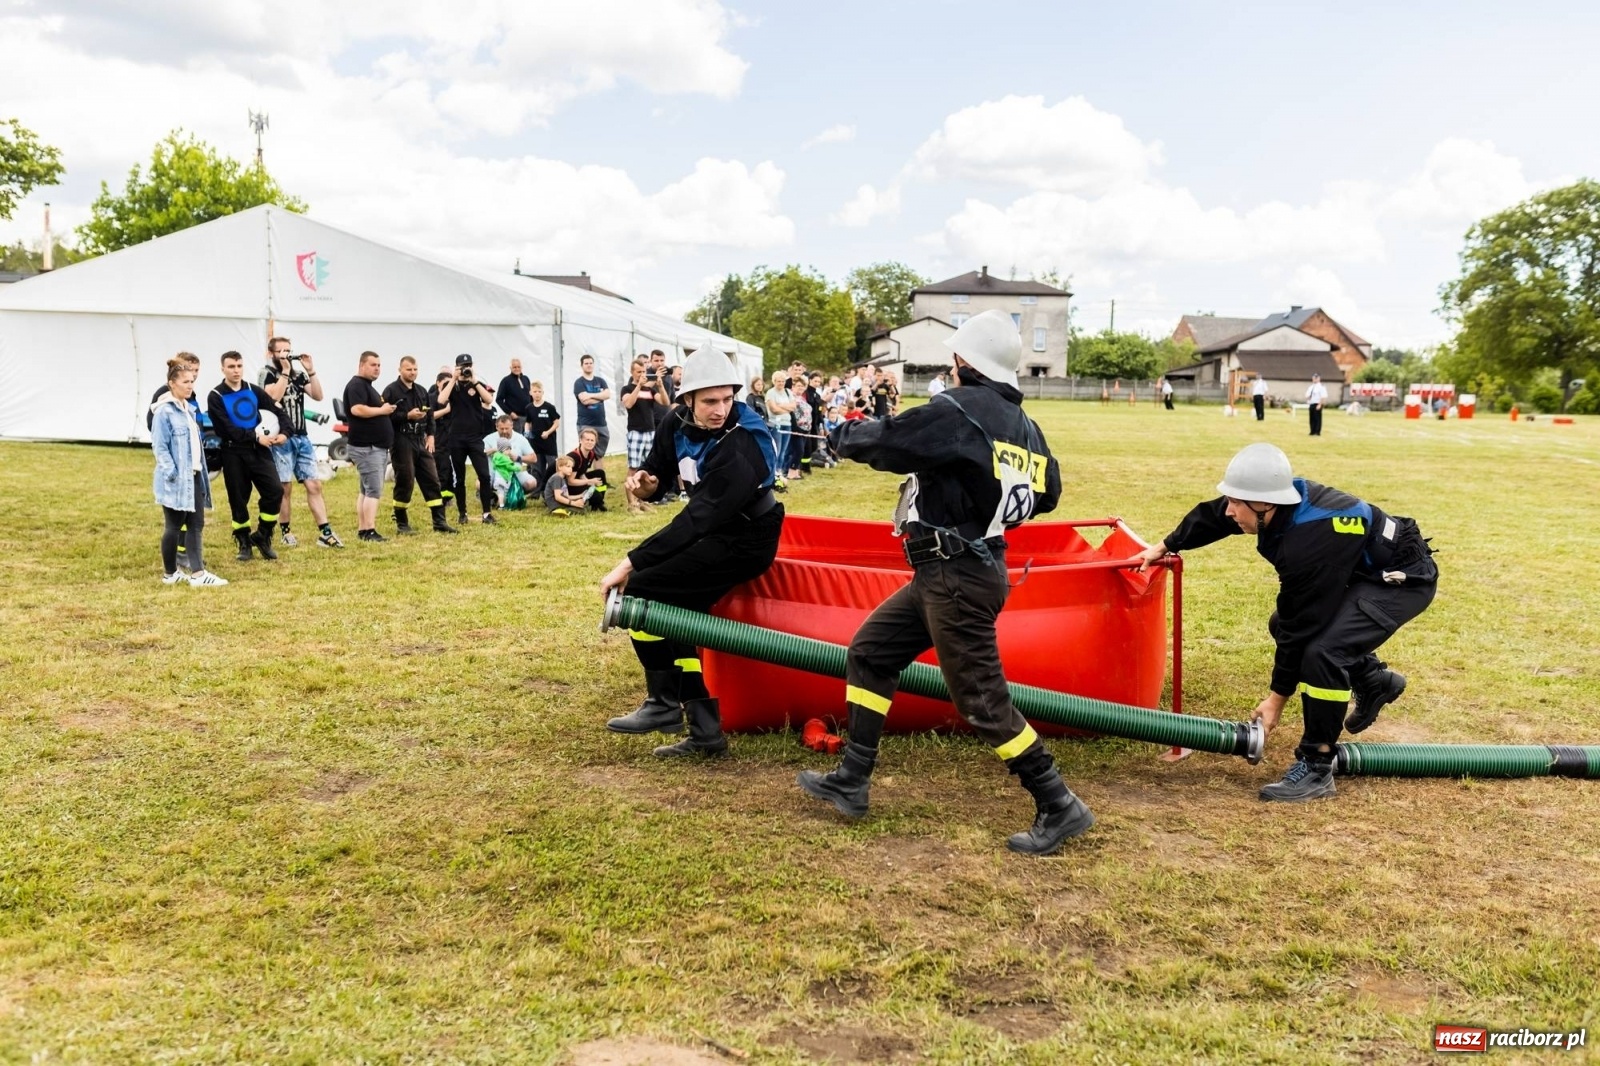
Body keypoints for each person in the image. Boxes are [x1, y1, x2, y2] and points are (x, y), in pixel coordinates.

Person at [796, 309, 1088, 857]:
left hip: (957, 577)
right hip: (956, 571)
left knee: (981, 701)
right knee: (873, 652)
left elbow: (889, 440)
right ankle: (852, 779)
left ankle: (1058, 802)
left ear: (961, 362)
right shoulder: (1025, 427)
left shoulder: (955, 409)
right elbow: (1048, 491)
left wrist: (842, 433)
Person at [1133, 443, 1438, 802]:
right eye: (1230, 499)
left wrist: (1276, 699)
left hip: (1400, 579)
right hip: (1360, 568)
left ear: (1265, 505)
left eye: (1237, 503)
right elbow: (1215, 515)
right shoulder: (1271, 501)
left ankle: (1317, 765)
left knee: (1324, 653)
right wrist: (1164, 546)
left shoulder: (1310, 540)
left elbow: (1304, 621)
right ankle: (1373, 681)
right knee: (1284, 626)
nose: (1229, 510)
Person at [600, 344, 784, 756]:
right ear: (687, 400)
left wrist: (629, 562)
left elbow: (697, 519)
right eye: (710, 401)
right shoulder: (675, 422)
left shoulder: (745, 442)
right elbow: (661, 472)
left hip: (747, 539)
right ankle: (704, 732)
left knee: (643, 590)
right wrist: (649, 483)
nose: (720, 409)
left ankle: (664, 704)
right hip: (713, 530)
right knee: (678, 616)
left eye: (727, 399)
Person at [151, 359, 228, 587]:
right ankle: (170, 573)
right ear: (171, 384)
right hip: (176, 478)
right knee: (173, 525)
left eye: (192, 381)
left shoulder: (190, 410)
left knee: (196, 523)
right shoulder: (164, 412)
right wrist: (172, 473)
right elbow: (160, 446)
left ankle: (197, 573)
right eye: (185, 381)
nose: (190, 385)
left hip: (194, 475)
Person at [260, 337, 342, 548]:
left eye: (289, 350)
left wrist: (311, 370)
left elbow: (318, 395)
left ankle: (325, 533)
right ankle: (285, 532)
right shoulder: (267, 373)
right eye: (282, 351)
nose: (287, 354)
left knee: (314, 484)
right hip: (281, 437)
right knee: (285, 487)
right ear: (272, 354)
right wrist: (285, 371)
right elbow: (273, 398)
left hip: (302, 437)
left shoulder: (298, 375)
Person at [207, 350, 286, 563]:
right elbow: (227, 428)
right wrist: (254, 436)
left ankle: (263, 535)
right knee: (238, 499)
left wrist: (284, 433)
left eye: (239, 366)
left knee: (275, 491)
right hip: (233, 452)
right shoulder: (216, 396)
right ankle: (243, 542)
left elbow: (278, 410)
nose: (236, 370)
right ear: (222, 368)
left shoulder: (253, 390)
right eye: (231, 366)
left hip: (259, 451)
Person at [383, 356, 457, 535]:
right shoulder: (391, 391)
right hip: (401, 439)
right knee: (405, 479)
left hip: (420, 440)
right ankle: (402, 523)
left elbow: (430, 415)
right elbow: (385, 417)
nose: (413, 372)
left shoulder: (422, 391)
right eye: (409, 369)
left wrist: (431, 435)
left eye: (415, 369)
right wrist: (406, 416)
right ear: (400, 370)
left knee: (432, 478)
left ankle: (439, 522)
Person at [342, 350, 396, 542]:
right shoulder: (357, 384)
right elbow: (356, 409)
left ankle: (363, 528)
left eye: (379, 365)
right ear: (362, 365)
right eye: (373, 365)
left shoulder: (367, 386)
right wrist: (382, 410)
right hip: (367, 447)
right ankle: (369, 530)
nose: (377, 369)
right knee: (373, 490)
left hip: (374, 446)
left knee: (365, 490)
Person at [443, 353, 498, 524]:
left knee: (484, 475)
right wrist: (453, 378)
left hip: (475, 437)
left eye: (468, 365)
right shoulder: (450, 385)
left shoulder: (478, 383)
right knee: (459, 478)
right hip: (456, 438)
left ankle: (486, 513)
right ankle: (462, 513)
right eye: (462, 366)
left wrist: (474, 380)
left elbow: (489, 399)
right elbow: (440, 400)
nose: (465, 369)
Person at [620, 357, 662, 512]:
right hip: (635, 432)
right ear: (632, 372)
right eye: (639, 372)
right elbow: (628, 404)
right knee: (633, 468)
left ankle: (642, 500)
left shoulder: (650, 390)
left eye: (644, 371)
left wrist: (661, 386)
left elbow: (664, 401)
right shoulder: (626, 389)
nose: (642, 374)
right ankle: (632, 503)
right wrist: (638, 385)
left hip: (650, 431)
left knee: (647, 468)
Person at [484, 413, 539, 507]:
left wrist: (518, 458)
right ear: (496, 427)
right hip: (494, 473)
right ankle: (492, 497)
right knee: (479, 483)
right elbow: (479, 453)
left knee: (531, 483)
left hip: (514, 473)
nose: (504, 431)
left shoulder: (520, 439)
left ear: (512, 426)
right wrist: (493, 450)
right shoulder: (489, 438)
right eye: (501, 429)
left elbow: (534, 458)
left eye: (507, 428)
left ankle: (516, 494)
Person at [572, 353, 612, 456]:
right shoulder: (579, 383)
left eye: (591, 363)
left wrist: (590, 395)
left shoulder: (600, 381)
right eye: (586, 363)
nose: (589, 365)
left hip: (601, 423)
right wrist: (600, 398)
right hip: (585, 423)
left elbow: (607, 395)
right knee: (584, 452)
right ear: (582, 365)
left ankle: (599, 472)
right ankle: (581, 472)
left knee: (598, 455)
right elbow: (584, 401)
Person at [525, 380, 562, 484]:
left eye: (539, 391)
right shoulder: (529, 408)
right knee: (536, 469)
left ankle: (553, 489)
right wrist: (527, 432)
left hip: (549, 444)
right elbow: (528, 422)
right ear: (530, 393)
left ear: (543, 393)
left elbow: (556, 423)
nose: (537, 394)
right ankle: (536, 491)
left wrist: (548, 432)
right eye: (535, 391)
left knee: (553, 467)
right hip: (536, 444)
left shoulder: (549, 407)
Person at [565, 427, 610, 511]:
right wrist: (589, 482)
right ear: (580, 440)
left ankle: (599, 503)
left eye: (592, 440)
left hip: (576, 480)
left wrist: (590, 484)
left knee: (600, 473)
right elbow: (570, 482)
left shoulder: (591, 454)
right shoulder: (574, 457)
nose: (589, 442)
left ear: (595, 442)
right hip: (566, 486)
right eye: (587, 440)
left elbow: (581, 473)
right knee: (595, 495)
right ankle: (596, 500)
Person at [765, 371, 795, 481]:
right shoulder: (770, 393)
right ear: (774, 381)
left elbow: (793, 407)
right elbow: (774, 409)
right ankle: (773, 473)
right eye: (778, 381)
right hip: (776, 424)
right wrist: (786, 408)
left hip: (787, 424)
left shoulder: (788, 392)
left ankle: (780, 471)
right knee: (776, 450)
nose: (781, 383)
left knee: (784, 451)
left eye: (783, 381)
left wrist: (781, 406)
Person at [498, 358, 533, 438]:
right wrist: (510, 412)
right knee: (516, 439)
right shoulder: (506, 381)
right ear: (510, 368)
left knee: (528, 440)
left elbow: (530, 396)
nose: (517, 369)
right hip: (515, 418)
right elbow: (499, 399)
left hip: (527, 417)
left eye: (518, 367)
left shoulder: (526, 379)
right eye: (514, 367)